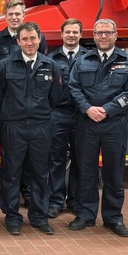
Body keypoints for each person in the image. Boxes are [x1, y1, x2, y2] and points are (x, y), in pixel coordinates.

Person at [68, 19, 128, 237]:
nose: (103, 37)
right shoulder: (82, 61)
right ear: (94, 35)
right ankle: (85, 215)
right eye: (99, 33)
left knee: (114, 172)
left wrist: (107, 110)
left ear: (115, 35)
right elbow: (73, 87)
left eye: (107, 33)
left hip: (114, 124)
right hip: (87, 123)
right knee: (86, 170)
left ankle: (113, 218)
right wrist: (87, 109)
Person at [0, 22, 61, 236]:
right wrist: (14, 113)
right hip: (14, 127)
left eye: (33, 38)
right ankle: (12, 216)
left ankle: (39, 217)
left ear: (39, 40)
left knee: (40, 173)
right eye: (25, 39)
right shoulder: (4, 65)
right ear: (18, 41)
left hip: (40, 127)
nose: (29, 42)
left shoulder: (50, 65)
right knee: (12, 173)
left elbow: (55, 97)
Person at [0, 0, 46, 210]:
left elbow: (42, 69)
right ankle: (6, 198)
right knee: (9, 157)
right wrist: (7, 108)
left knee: (32, 159)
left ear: (24, 16)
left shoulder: (39, 38)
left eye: (18, 14)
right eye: (11, 14)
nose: (14, 17)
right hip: (8, 115)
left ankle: (29, 194)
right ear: (5, 16)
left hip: (33, 115)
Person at [46, 18, 88, 218]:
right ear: (61, 34)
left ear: (81, 35)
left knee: (81, 159)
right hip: (58, 115)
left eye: (75, 32)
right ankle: (55, 201)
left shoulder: (90, 59)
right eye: (68, 32)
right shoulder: (51, 59)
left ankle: (75, 201)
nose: (71, 35)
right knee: (56, 160)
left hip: (82, 116)